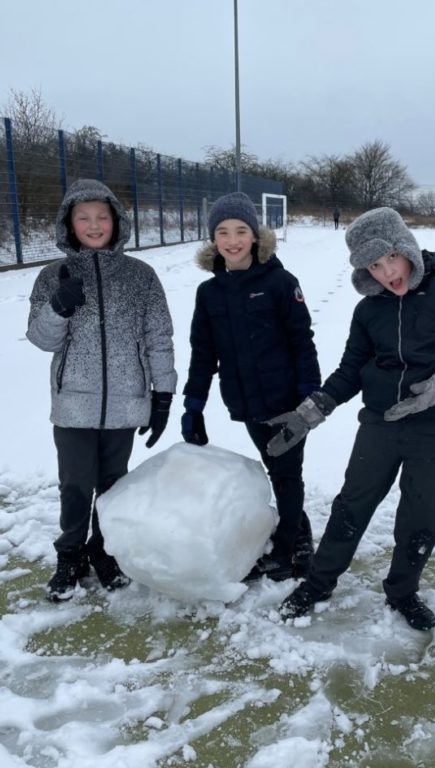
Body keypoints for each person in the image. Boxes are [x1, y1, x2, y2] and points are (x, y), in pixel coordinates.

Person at [271, 207, 435, 631]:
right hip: (380, 421)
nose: (386, 272)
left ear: (405, 248)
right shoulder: (369, 309)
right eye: (373, 265)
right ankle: (318, 583)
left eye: (390, 258)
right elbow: (353, 366)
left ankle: (403, 590)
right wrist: (316, 406)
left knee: (424, 511)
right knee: (352, 504)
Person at [27, 178, 177, 602]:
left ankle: (104, 550)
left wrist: (162, 395)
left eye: (101, 217)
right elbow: (41, 339)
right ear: (69, 224)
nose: (94, 225)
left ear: (116, 221)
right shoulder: (52, 277)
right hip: (74, 403)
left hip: (126, 403)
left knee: (114, 485)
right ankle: (70, 554)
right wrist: (59, 307)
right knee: (75, 484)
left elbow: (158, 337)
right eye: (83, 217)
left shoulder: (140, 277)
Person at [180, 192, 321, 582]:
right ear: (213, 240)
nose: (232, 240)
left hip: (287, 402)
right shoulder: (209, 294)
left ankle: (289, 545)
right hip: (245, 401)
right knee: (276, 470)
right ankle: (300, 530)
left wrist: (310, 396)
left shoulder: (280, 282)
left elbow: (301, 340)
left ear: (255, 236)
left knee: (287, 474)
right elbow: (202, 354)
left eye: (241, 230)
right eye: (223, 232)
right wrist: (193, 405)